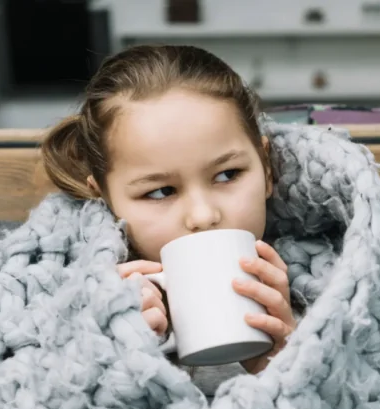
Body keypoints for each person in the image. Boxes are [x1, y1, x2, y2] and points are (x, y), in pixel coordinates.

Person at [39, 44, 295, 375]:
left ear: (266, 169)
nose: (203, 216)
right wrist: (105, 356)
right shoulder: (61, 306)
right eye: (161, 192)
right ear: (105, 200)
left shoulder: (334, 293)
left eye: (227, 175)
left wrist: (289, 362)